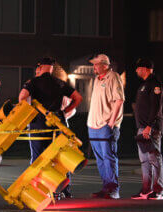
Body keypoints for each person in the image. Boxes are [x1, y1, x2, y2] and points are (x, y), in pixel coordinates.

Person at [19, 57, 82, 197]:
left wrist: (31, 113)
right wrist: (64, 112)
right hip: (58, 125)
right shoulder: (60, 83)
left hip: (39, 125)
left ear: (39, 68)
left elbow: (22, 97)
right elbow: (78, 97)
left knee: (38, 158)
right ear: (52, 68)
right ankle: (63, 190)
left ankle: (40, 189)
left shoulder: (33, 82)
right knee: (60, 158)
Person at [87, 54, 125, 199]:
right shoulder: (97, 80)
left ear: (104, 64)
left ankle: (113, 189)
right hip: (93, 125)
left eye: (96, 64)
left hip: (105, 125)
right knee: (100, 159)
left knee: (108, 157)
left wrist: (112, 122)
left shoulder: (113, 77)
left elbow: (119, 100)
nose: (94, 67)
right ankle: (106, 187)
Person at [130, 58, 163, 200]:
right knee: (144, 160)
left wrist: (149, 126)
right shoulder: (144, 85)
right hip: (142, 128)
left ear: (145, 68)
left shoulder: (155, 84)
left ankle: (158, 190)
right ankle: (146, 190)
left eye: (138, 68)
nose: (136, 71)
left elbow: (156, 107)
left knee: (154, 159)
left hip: (151, 128)